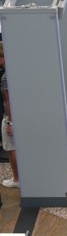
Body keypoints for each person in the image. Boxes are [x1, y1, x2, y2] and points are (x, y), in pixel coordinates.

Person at [1, 46, 18, 189]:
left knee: (11, 148)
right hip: (18, 115)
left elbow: (9, 101)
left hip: (10, 117)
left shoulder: (6, 77)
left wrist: (10, 122)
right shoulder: (15, 72)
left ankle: (16, 179)